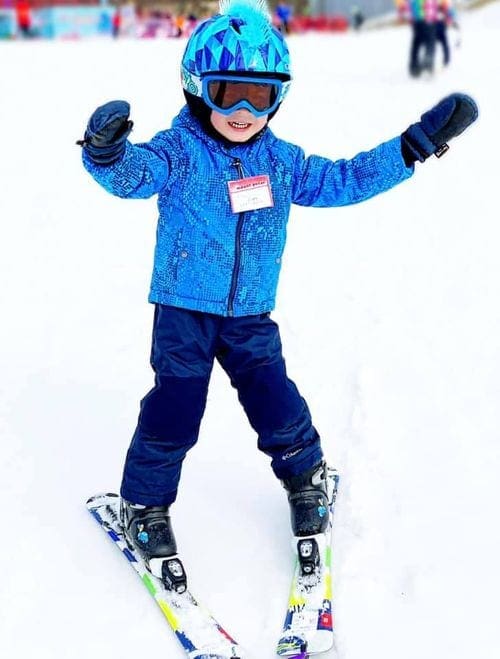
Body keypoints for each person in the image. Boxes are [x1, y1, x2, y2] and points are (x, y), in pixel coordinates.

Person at [78, 0, 477, 592]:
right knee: (175, 409)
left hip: (249, 314)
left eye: (260, 98)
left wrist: (413, 146)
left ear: (278, 100)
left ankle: (306, 476)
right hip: (184, 309)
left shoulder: (282, 162)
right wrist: (106, 154)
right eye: (228, 93)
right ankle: (145, 504)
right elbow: (137, 174)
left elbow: (344, 179)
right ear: (198, 89)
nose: (242, 111)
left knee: (273, 399)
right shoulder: (179, 151)